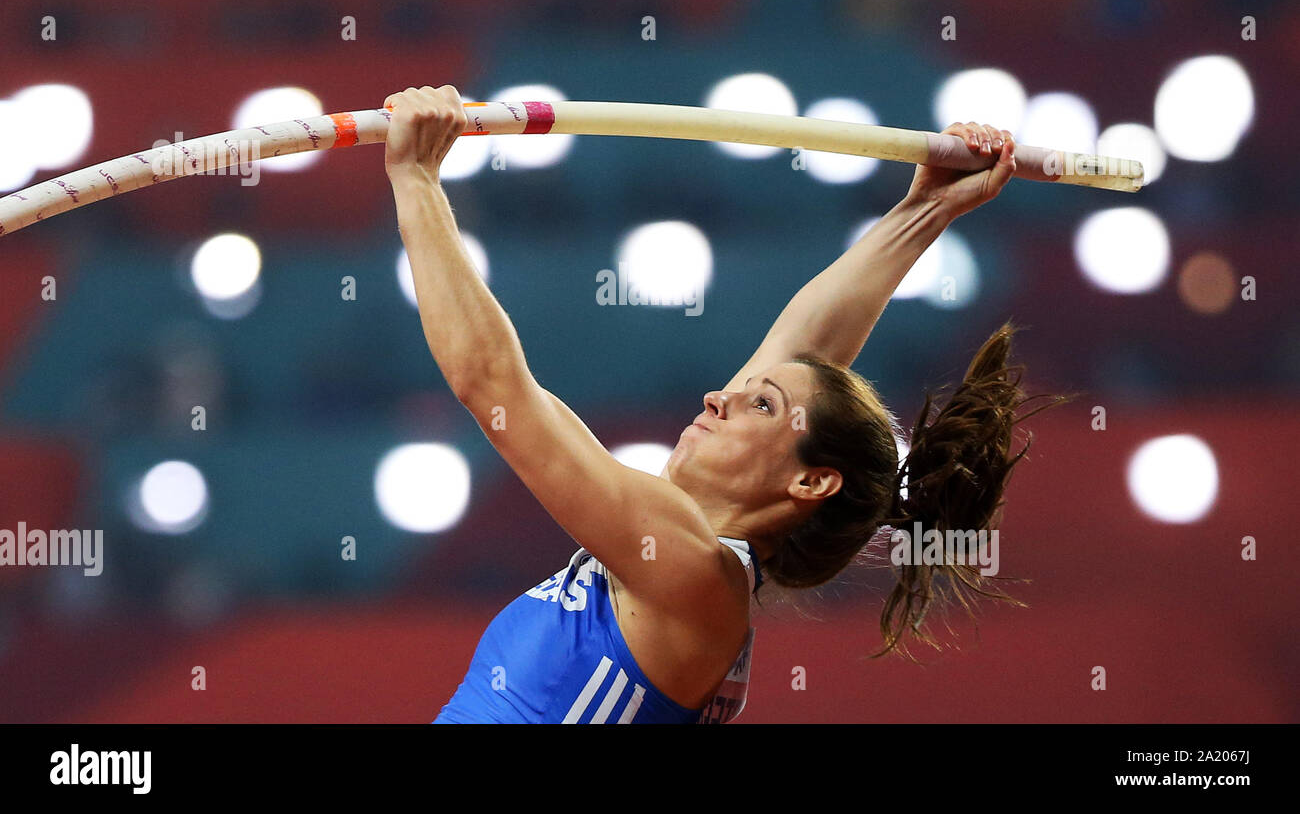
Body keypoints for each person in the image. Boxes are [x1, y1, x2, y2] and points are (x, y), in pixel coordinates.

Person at [382, 85, 1067, 724]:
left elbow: (492, 386)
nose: (720, 396)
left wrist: (417, 177)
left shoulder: (689, 571)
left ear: (809, 481)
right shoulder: (689, 560)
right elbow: (806, 346)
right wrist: (924, 210)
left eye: (759, 407)